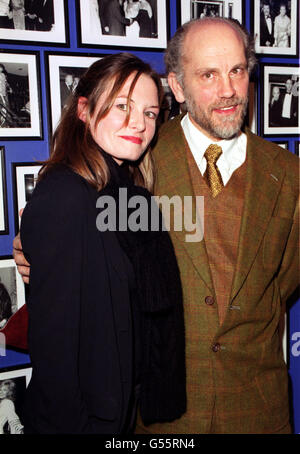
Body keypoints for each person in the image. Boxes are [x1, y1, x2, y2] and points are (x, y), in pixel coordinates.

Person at [13, 17, 300, 434]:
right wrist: (31, 250)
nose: (228, 90)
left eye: (238, 70)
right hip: (159, 418)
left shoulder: (289, 175)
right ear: (178, 88)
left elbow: (285, 280)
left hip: (257, 411)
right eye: (208, 74)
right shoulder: (134, 160)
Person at [13, 52, 186, 434]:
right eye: (123, 106)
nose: (139, 123)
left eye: (151, 112)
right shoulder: (67, 196)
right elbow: (55, 354)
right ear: (84, 110)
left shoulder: (125, 196)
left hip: (120, 413)